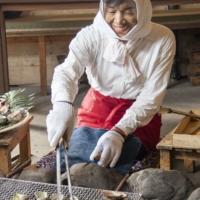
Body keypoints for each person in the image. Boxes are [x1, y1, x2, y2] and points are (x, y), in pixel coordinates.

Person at [46, 0, 176, 175]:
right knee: (74, 158)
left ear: (143, 9)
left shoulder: (162, 38)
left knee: (113, 164)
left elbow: (151, 96)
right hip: (97, 106)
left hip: (140, 110)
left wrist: (119, 132)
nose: (119, 20)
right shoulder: (91, 35)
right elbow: (66, 72)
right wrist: (62, 106)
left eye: (129, 11)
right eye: (111, 11)